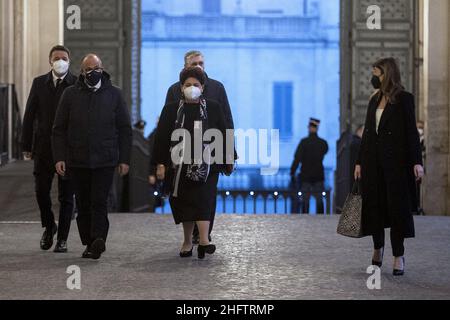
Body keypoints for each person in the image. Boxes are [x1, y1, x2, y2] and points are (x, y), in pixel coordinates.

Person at [52, 54, 132, 260]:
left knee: (99, 201)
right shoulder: (70, 94)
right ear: (82, 72)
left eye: (96, 68)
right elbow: (59, 129)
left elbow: (124, 129)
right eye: (88, 69)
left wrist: (124, 159)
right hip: (77, 160)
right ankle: (88, 242)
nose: (92, 72)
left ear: (102, 68)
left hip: (105, 159)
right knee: (83, 203)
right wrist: (59, 157)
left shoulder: (114, 95)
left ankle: (98, 239)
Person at [152, 67, 234, 259]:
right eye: (188, 85)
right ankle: (188, 241)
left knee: (204, 201)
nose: (192, 88)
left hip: (208, 165)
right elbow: (162, 138)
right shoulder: (171, 109)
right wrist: (160, 164)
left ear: (203, 87)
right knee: (185, 203)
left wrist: (229, 157)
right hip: (179, 166)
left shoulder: (213, 107)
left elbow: (224, 132)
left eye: (195, 85)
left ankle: (204, 241)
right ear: (181, 88)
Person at [354, 57, 424, 276]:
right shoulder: (374, 99)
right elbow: (367, 133)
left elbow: (411, 133)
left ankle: (398, 256)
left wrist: (417, 162)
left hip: (396, 165)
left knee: (396, 210)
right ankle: (377, 249)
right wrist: (358, 161)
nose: (374, 78)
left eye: (377, 73)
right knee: (375, 207)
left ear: (387, 74)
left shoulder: (404, 99)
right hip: (372, 162)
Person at [21, 45, 76, 253]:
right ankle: (49, 226)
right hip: (43, 147)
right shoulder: (39, 83)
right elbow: (29, 115)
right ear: (49, 61)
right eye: (56, 58)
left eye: (63, 58)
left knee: (66, 196)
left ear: (69, 61)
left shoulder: (75, 84)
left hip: (67, 149)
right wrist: (26, 145)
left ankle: (62, 238)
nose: (60, 61)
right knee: (40, 191)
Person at [290, 118, 329, 214]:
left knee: (305, 199)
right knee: (319, 199)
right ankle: (320, 219)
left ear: (310, 128)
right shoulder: (323, 143)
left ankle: (305, 217)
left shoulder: (303, 142)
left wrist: (292, 172)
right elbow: (325, 151)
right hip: (318, 174)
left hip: (305, 175)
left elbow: (297, 159)